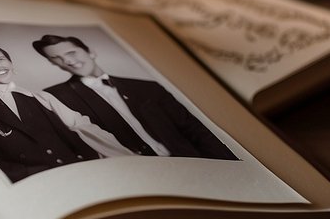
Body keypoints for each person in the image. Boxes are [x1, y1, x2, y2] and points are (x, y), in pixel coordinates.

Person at [0, 41, 134, 182]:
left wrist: (123, 163)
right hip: (32, 184)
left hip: (81, 174)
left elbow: (80, 128)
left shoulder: (37, 97)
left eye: (1, 59)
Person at [34, 34, 236, 160]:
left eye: (71, 53)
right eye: (57, 59)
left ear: (91, 52)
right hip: (137, 175)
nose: (68, 61)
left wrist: (230, 166)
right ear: (54, 64)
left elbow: (195, 131)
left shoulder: (147, 87)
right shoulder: (56, 97)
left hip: (193, 164)